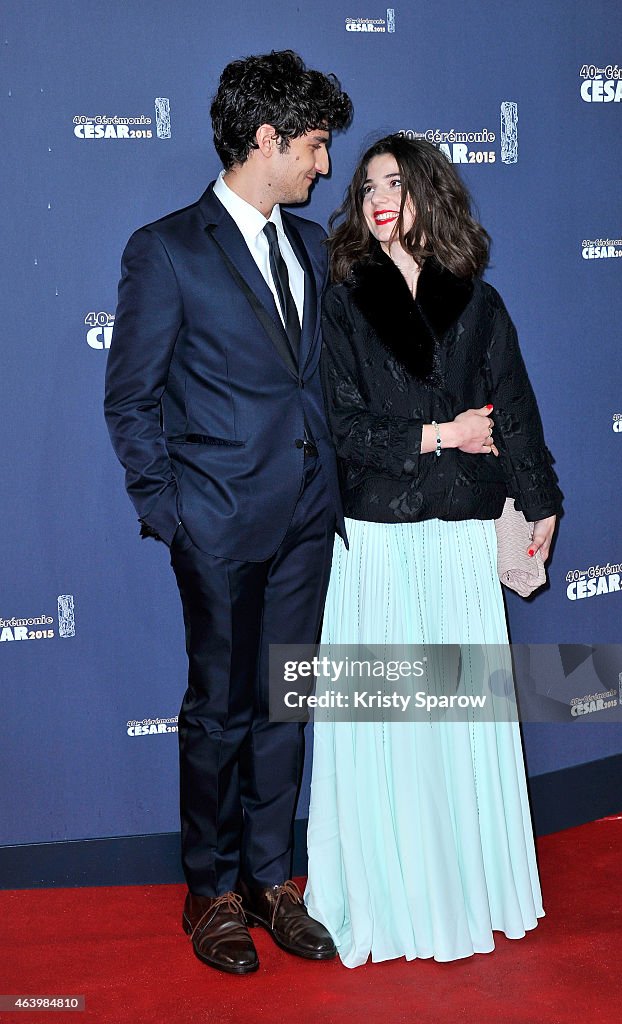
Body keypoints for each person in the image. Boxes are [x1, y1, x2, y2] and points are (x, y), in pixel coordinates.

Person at [104, 50, 352, 975]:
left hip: (305, 524)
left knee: (285, 706)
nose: (324, 166)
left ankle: (268, 881)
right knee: (218, 712)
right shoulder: (166, 249)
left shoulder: (313, 247)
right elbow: (130, 400)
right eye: (316, 147)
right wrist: (174, 516)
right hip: (216, 526)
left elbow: (318, 381)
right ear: (266, 138)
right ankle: (208, 894)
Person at [304, 134, 563, 967]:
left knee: (454, 721)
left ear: (428, 193)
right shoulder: (341, 301)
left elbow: (515, 407)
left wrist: (541, 500)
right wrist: (437, 434)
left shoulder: (476, 302)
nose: (379, 196)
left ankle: (465, 888)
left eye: (396, 181)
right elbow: (339, 426)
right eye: (367, 184)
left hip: (456, 537)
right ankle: (385, 897)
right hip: (380, 537)